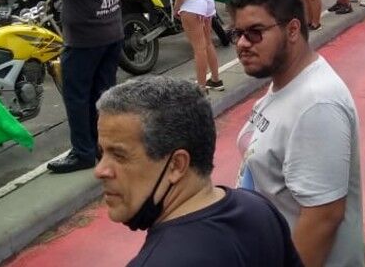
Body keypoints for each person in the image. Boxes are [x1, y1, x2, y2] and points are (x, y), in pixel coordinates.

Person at [95, 77, 300, 266]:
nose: (100, 170)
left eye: (119, 155)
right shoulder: (259, 209)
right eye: (101, 153)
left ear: (176, 165)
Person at [230, 0, 364, 267]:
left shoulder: (317, 105)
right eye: (238, 34)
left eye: (255, 33)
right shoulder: (286, 82)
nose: (242, 44)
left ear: (292, 30)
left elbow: (323, 218)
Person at [27, 0, 126, 174]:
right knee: (102, 96)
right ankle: (102, 145)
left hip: (83, 42)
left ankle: (82, 152)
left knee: (76, 98)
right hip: (111, 36)